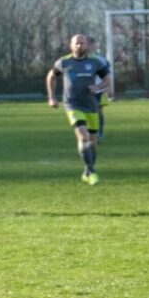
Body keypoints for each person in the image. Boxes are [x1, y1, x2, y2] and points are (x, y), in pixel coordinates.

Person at [47, 34, 111, 185]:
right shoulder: (63, 62)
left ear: (87, 45)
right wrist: (52, 97)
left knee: (92, 142)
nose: (79, 46)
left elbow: (107, 80)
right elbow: (51, 76)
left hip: (91, 106)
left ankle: (87, 171)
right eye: (76, 43)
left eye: (82, 43)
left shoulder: (95, 62)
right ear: (71, 45)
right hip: (72, 105)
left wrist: (97, 87)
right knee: (83, 137)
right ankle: (92, 172)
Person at [87, 36, 114, 141]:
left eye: (91, 44)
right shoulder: (79, 59)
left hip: (99, 90)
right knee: (86, 112)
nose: (89, 47)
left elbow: (107, 75)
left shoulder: (100, 59)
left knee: (98, 112)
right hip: (84, 90)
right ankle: (88, 133)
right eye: (87, 44)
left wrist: (109, 87)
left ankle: (99, 133)